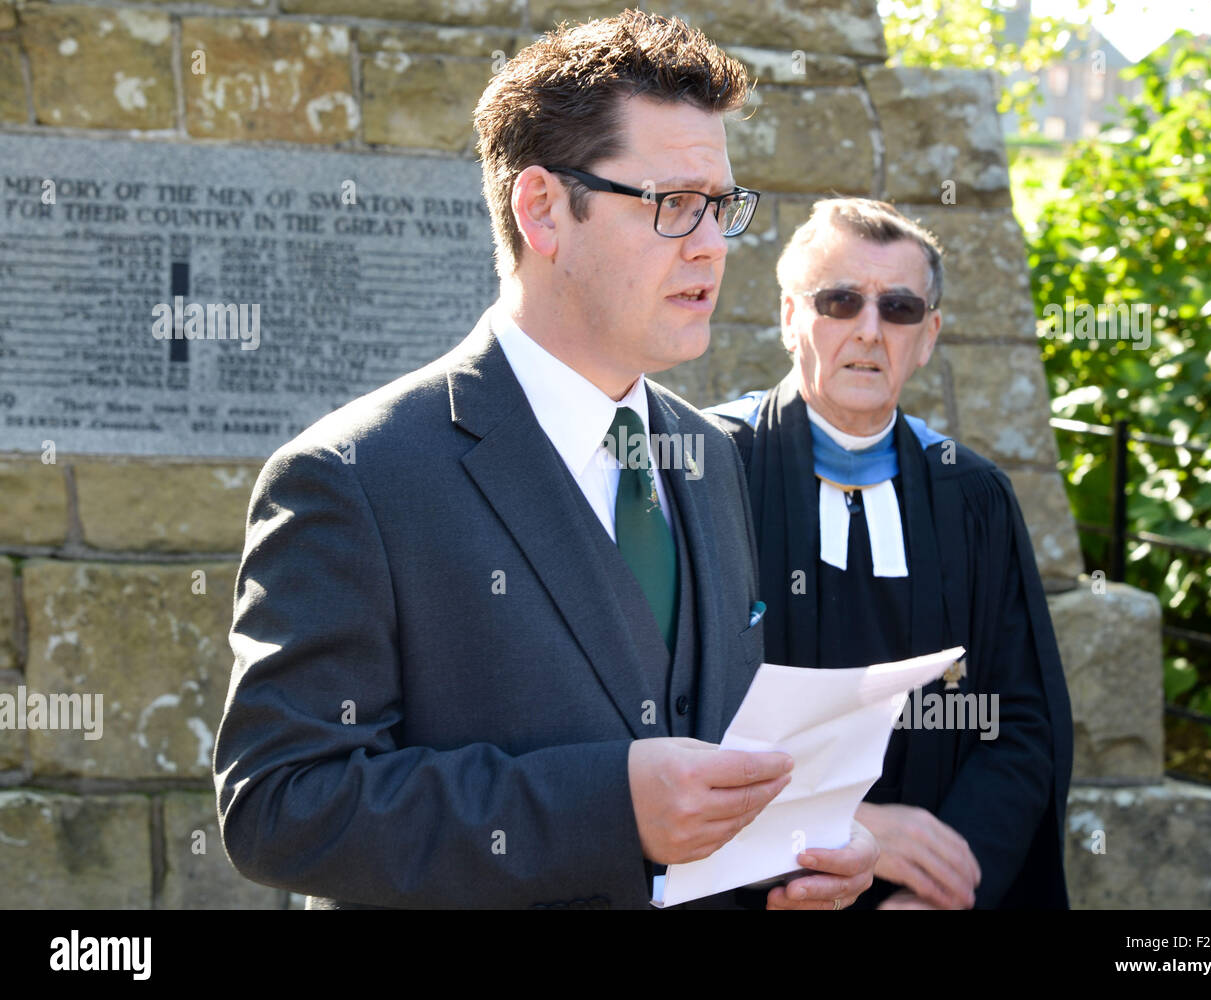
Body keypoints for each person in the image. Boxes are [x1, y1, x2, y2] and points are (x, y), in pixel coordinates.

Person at [213, 11, 877, 910]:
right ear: (541, 211)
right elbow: (281, 807)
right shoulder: (353, 477)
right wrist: (607, 808)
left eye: (721, 207)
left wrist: (793, 845)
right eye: (674, 203)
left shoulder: (709, 458)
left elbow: (703, 750)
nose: (713, 244)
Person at [706, 198, 1073, 909]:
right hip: (750, 888)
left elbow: (1022, 722)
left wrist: (939, 889)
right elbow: (662, 709)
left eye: (899, 309)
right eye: (839, 301)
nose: (869, 332)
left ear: (928, 335)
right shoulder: (709, 472)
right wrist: (827, 824)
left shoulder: (974, 497)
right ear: (791, 318)